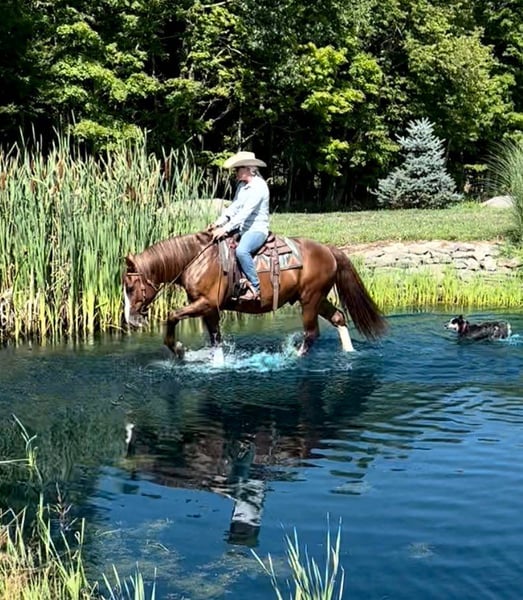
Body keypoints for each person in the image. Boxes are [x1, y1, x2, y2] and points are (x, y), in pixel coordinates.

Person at [209, 151, 270, 301]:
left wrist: (225, 228)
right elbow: (234, 207)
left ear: (248, 169)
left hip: (256, 229)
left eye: (238, 169)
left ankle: (255, 287)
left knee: (242, 251)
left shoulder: (259, 187)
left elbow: (245, 213)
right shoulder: (242, 186)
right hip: (242, 228)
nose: (235, 172)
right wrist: (218, 222)